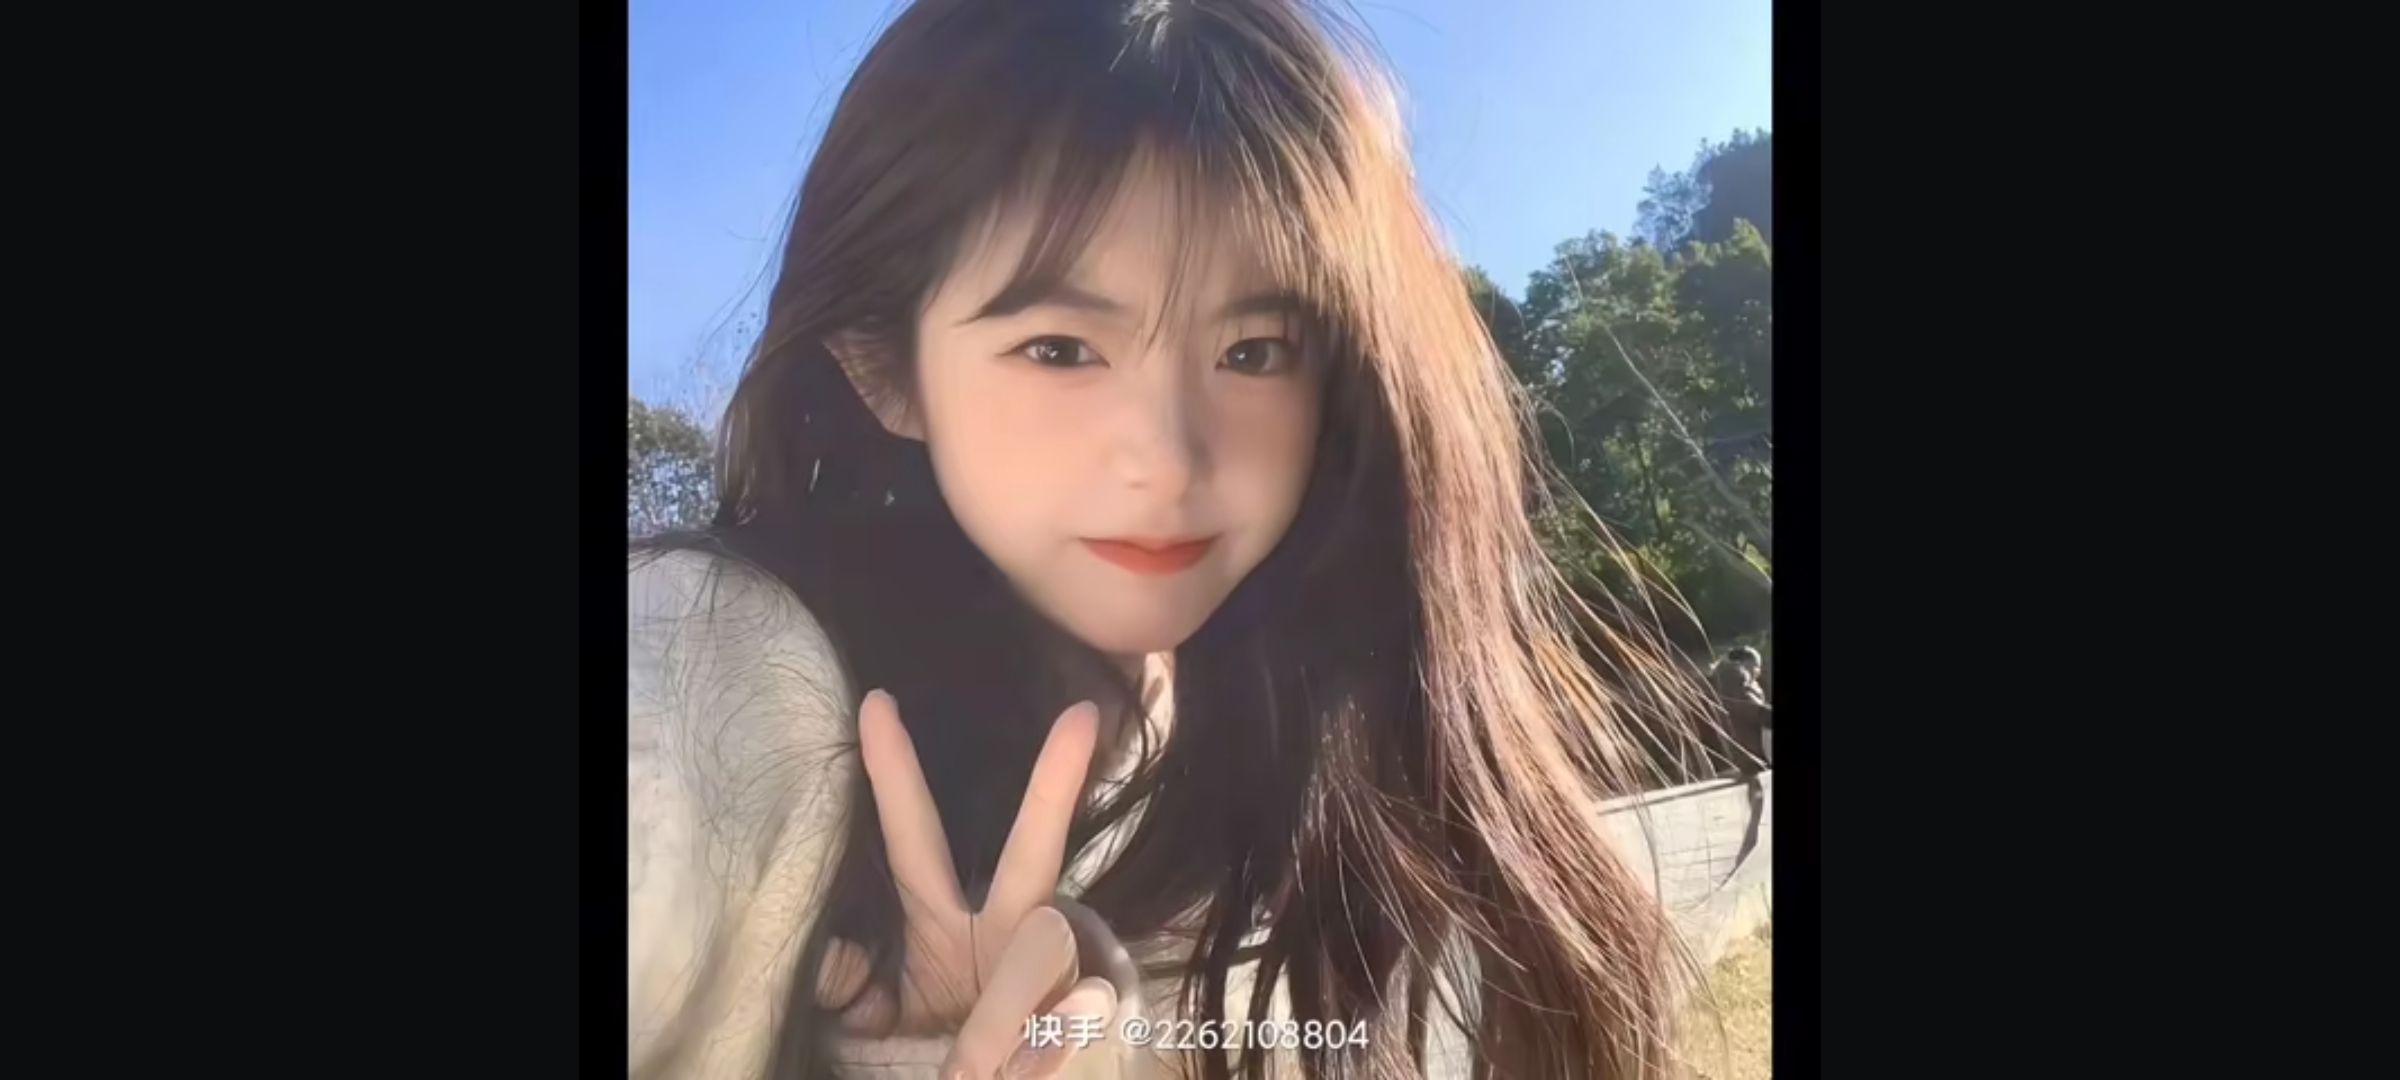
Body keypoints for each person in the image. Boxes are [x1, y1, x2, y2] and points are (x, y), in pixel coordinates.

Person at [628, 2, 1714, 1077]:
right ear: (884, 367)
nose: (1170, 458)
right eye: (1060, 349)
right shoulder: (705, 661)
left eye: (1253, 352)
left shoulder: (1307, 738)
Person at [1710, 647, 1772, 777]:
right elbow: (1746, 706)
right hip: (1749, 749)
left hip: (1744, 749)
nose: (1758, 672)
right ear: (1746, 662)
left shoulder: (1727, 679)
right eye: (1756, 666)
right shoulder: (1734, 676)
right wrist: (1765, 713)